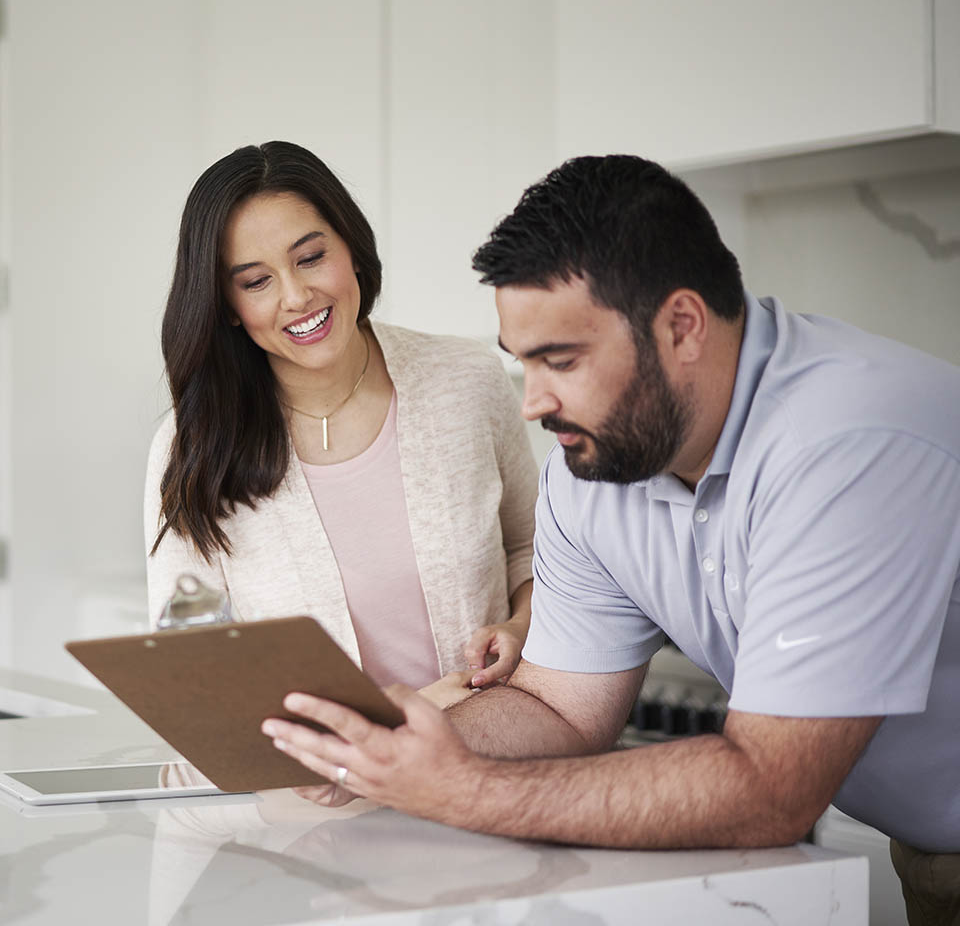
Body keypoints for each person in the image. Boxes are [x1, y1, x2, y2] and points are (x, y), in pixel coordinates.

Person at [262, 155, 960, 924]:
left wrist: (463, 787)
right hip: (932, 855)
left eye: (560, 360)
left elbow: (770, 792)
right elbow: (560, 708)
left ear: (681, 327)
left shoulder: (849, 442)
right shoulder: (595, 463)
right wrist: (388, 752)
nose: (533, 404)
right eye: (522, 363)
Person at [145, 141, 538, 712]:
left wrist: (523, 624)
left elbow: (532, 550)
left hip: (489, 764)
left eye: (310, 258)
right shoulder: (192, 445)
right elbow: (194, 670)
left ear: (350, 247)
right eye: (256, 281)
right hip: (310, 795)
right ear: (227, 304)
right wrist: (401, 719)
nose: (297, 296)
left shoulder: (467, 380)